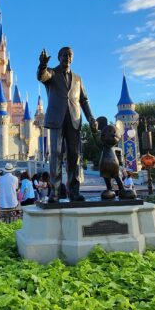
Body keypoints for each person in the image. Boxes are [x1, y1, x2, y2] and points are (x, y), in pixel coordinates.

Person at [38, 47, 97, 202]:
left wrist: (91, 118)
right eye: (65, 55)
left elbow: (84, 100)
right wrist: (42, 65)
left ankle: (74, 191)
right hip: (56, 120)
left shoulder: (78, 79)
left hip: (74, 120)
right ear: (58, 57)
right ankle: (55, 193)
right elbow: (41, 76)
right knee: (56, 155)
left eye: (70, 55)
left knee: (74, 156)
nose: (67, 57)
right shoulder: (51, 73)